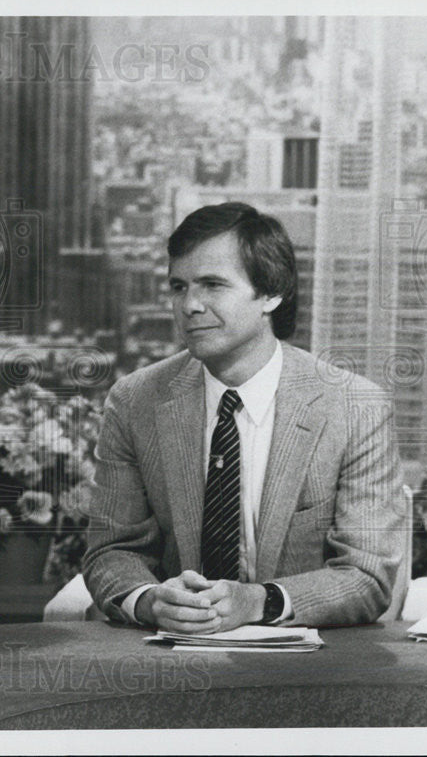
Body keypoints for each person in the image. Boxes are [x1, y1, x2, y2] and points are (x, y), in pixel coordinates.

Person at [82, 202, 404, 632]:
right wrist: (148, 601)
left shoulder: (355, 408)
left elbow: (366, 576)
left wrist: (258, 602)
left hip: (308, 667)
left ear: (271, 293)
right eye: (179, 287)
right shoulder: (135, 400)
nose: (190, 305)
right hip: (175, 660)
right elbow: (111, 551)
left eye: (213, 285)